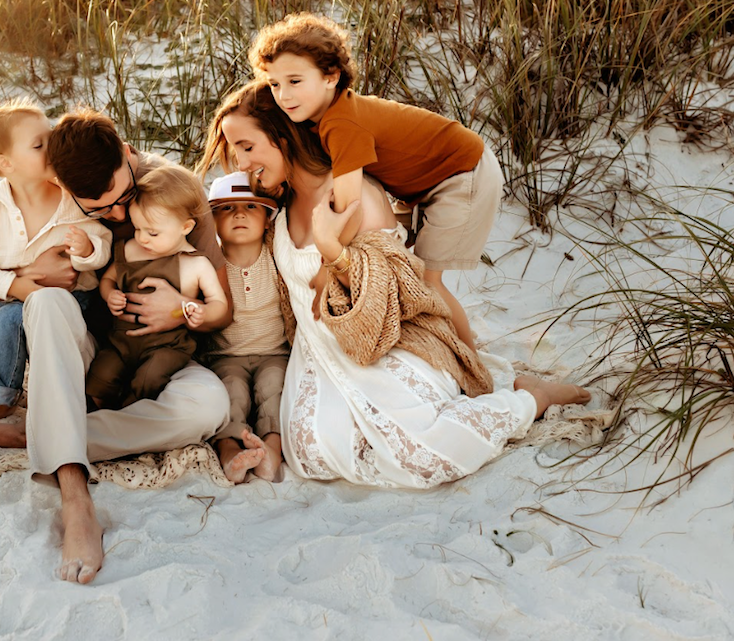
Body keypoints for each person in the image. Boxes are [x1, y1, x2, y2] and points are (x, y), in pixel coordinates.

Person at [199, 81, 591, 489]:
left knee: (424, 458)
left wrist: (333, 252)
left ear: (282, 137)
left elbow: (385, 296)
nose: (240, 164)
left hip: (382, 342)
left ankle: (532, 397)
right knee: (311, 455)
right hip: (318, 355)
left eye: (246, 147)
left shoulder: (353, 194)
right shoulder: (276, 203)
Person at [0, 108, 231, 585]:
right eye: (101, 210)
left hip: (161, 353)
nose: (118, 215)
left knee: (208, 408)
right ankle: (75, 497)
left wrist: (179, 309)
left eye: (122, 198)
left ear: (127, 152)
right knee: (47, 304)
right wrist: (31, 276)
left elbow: (222, 309)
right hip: (84, 352)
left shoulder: (177, 193)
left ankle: (34, 433)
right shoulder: (63, 194)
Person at [248, 12, 502, 350]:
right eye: (275, 84)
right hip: (419, 185)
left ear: (331, 77)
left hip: (461, 175)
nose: (283, 95)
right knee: (399, 265)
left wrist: (328, 268)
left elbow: (348, 206)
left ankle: (468, 362)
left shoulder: (341, 124)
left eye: (295, 81)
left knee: (426, 282)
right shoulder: (320, 115)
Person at [0, 99, 111, 456]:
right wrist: (16, 285)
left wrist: (86, 250)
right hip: (9, 297)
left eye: (49, 137)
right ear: (6, 164)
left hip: (71, 303)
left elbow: (103, 241)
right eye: (38, 145)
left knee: (8, 322)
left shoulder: (70, 197)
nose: (50, 147)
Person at [87, 165, 229, 409]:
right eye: (137, 228)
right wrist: (110, 294)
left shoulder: (196, 264)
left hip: (167, 346)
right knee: (101, 374)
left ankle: (131, 411)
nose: (142, 238)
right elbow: (108, 279)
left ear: (186, 227)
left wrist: (200, 311)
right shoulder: (130, 250)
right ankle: (100, 409)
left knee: (150, 378)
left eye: (152, 233)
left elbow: (219, 303)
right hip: (121, 342)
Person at [203, 170, 287, 484]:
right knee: (230, 393)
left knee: (274, 388)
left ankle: (272, 452)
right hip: (225, 358)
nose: (239, 213)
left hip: (274, 353)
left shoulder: (277, 258)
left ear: (268, 219)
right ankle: (229, 453)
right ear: (211, 221)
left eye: (251, 207)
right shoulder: (211, 264)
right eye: (226, 208)